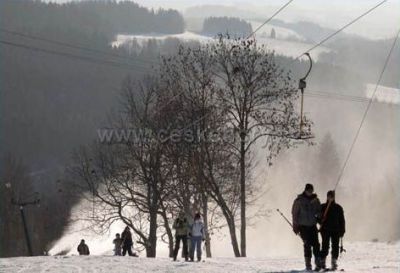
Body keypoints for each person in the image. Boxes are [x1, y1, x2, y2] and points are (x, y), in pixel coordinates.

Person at [292, 183, 322, 271]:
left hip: (313, 225)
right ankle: (308, 265)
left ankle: (317, 263)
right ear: (305, 190)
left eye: (311, 191)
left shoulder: (316, 200)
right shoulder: (299, 200)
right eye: (309, 191)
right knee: (307, 244)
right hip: (303, 226)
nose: (310, 192)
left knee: (316, 244)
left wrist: (320, 216)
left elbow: (319, 211)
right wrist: (295, 226)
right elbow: (295, 214)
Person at [319, 190, 345, 270]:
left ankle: (334, 262)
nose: (330, 198)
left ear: (334, 197)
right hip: (325, 230)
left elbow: (342, 220)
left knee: (335, 247)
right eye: (329, 196)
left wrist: (342, 230)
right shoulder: (323, 207)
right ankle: (322, 261)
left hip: (336, 230)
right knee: (325, 246)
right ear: (327, 197)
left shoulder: (338, 208)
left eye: (332, 196)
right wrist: (320, 220)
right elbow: (317, 217)